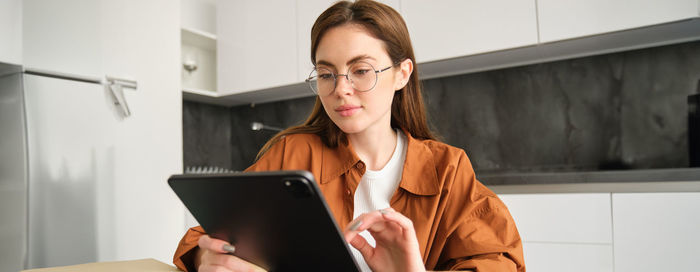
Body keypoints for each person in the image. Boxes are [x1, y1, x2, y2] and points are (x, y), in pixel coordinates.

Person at [173, 1, 525, 271]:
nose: (341, 89)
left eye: (360, 70)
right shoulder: (291, 153)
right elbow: (210, 234)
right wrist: (207, 255)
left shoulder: (447, 168)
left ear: (402, 74)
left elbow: (499, 261)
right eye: (327, 74)